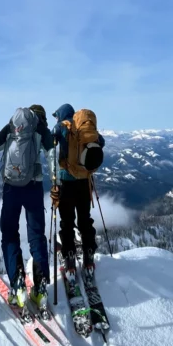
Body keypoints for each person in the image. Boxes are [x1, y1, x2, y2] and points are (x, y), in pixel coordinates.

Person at [0, 104, 55, 310]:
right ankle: (40, 287)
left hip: (11, 188)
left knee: (9, 235)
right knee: (37, 236)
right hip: (34, 187)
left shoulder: (11, 128)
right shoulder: (41, 130)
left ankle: (17, 284)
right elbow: (52, 155)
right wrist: (56, 184)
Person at [51, 104, 105, 279]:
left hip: (66, 183)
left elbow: (50, 143)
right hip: (84, 183)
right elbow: (101, 142)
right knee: (85, 220)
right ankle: (89, 257)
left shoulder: (61, 127)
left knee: (67, 222)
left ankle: (70, 260)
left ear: (61, 115)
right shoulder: (84, 128)